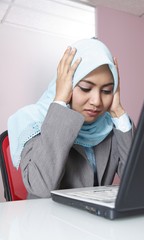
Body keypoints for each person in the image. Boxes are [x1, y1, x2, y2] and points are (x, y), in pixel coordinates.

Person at [8, 38, 134, 199]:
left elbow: (140, 180)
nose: (96, 101)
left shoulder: (111, 125)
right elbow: (41, 187)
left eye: (107, 90)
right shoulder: (34, 120)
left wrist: (118, 112)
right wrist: (60, 102)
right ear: (65, 84)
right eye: (85, 88)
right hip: (49, 221)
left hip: (95, 222)